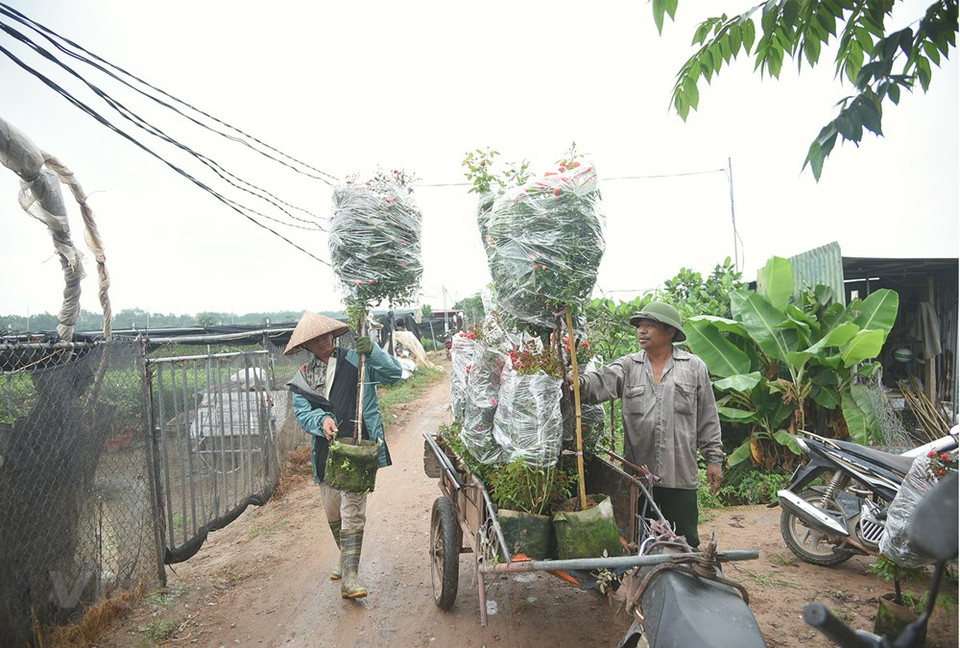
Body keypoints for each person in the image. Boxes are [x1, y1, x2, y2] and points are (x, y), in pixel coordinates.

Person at [568, 301, 723, 548]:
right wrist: (574, 382)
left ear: (669, 332)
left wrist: (714, 459)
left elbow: (708, 417)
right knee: (641, 539)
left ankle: (685, 581)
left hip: (679, 475)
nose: (642, 330)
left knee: (685, 541)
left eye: (650, 325)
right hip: (639, 478)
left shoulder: (694, 368)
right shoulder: (628, 366)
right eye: (640, 325)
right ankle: (647, 584)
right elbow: (597, 384)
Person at [284, 311, 403, 598]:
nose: (322, 341)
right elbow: (303, 413)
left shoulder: (357, 359)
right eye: (315, 339)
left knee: (353, 512)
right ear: (306, 346)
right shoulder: (302, 379)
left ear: (333, 335)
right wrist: (320, 422)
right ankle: (344, 557)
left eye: (325, 335)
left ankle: (350, 577)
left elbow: (394, 374)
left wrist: (373, 351)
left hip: (358, 447)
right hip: (326, 451)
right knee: (333, 512)